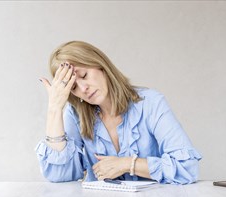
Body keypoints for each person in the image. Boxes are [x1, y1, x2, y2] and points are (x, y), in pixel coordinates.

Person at [36, 41, 202, 184]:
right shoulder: (75, 114)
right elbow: (60, 175)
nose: (83, 88)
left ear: (100, 65)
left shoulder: (150, 103)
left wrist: (127, 164)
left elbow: (187, 168)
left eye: (84, 75)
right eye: (73, 87)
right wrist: (54, 109)